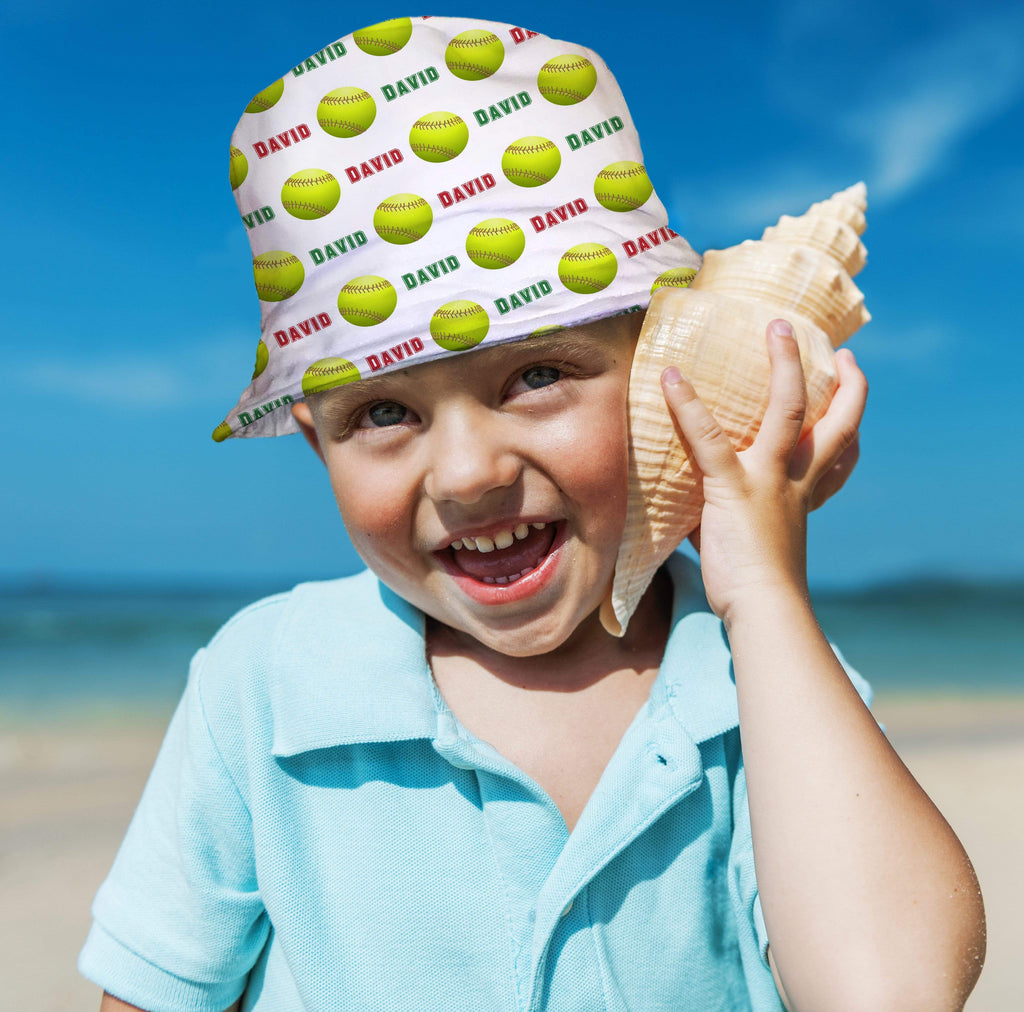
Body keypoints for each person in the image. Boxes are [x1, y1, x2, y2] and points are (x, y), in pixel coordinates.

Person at [79, 15, 986, 1012]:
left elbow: (891, 989)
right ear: (315, 442)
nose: (467, 473)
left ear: (657, 373)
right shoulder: (265, 687)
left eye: (536, 376)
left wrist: (764, 594)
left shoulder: (760, 686)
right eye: (384, 412)